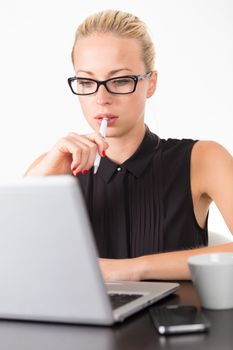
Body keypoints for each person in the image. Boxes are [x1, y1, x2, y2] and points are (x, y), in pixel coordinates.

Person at [25, 9, 233, 281]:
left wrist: (131, 269)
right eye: (87, 81)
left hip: (173, 323)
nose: (102, 98)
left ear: (150, 84)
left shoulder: (203, 159)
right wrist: (40, 180)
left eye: (121, 80)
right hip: (82, 324)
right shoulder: (53, 164)